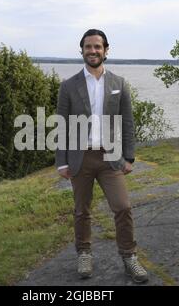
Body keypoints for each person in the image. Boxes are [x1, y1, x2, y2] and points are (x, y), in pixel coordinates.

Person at [55, 29, 148, 283]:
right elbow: (61, 125)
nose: (92, 51)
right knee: (81, 211)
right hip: (80, 157)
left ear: (106, 50)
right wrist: (61, 161)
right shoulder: (68, 86)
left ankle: (129, 256)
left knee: (123, 207)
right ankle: (84, 253)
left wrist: (129, 157)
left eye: (97, 46)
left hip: (111, 157)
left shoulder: (119, 84)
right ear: (82, 50)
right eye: (88, 47)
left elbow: (127, 122)